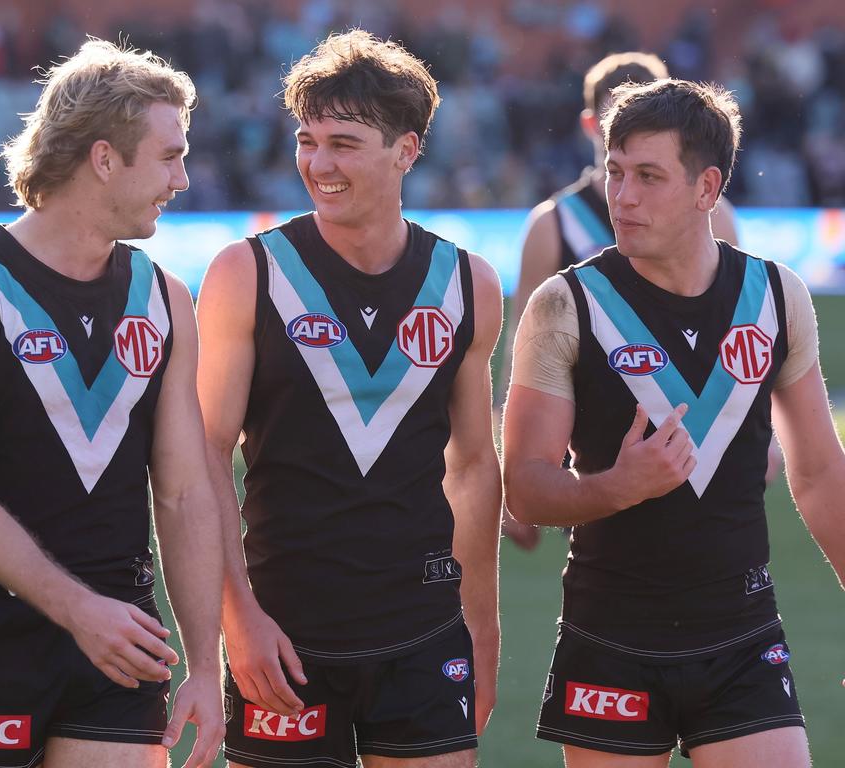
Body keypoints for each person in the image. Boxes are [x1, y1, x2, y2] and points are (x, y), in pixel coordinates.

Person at [503, 77, 845, 767]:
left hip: (743, 637)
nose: (621, 197)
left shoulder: (777, 298)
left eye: (648, 177)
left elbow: (818, 470)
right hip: (610, 639)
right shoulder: (563, 306)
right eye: (616, 172)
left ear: (706, 188)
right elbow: (525, 487)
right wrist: (617, 486)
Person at [0, 40, 224, 768]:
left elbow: (183, 494)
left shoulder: (167, 299)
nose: (182, 179)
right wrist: (83, 614)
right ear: (104, 159)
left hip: (121, 643)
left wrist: (205, 664)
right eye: (169, 156)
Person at [196, 30, 503, 768]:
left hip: (424, 631)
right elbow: (200, 458)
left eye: (343, 142)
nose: (318, 164)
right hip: (284, 631)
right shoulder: (248, 273)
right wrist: (237, 620)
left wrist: (481, 631)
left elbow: (472, 467)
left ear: (407, 149)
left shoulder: (468, 284)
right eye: (307, 141)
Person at [499, 52, 742, 550]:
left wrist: (763, 440)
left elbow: (741, 329)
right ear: (593, 122)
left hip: (697, 429)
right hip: (595, 431)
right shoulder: (553, 223)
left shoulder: (714, 213)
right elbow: (520, 350)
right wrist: (515, 461)